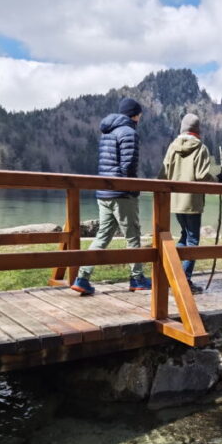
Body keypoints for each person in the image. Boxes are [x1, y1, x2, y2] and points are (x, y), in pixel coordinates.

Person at [71, 97, 151, 296]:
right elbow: (129, 165)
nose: (140, 117)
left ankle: (82, 277)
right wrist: (131, 188)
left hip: (104, 192)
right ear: (135, 114)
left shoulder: (107, 132)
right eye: (139, 114)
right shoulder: (129, 132)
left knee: (103, 235)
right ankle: (137, 277)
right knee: (132, 234)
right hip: (121, 193)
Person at [158, 113, 222, 294]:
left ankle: (171, 272)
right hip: (192, 201)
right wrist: (218, 182)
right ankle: (184, 280)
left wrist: (161, 190)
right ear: (197, 130)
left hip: (175, 200)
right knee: (193, 239)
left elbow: (163, 173)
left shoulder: (173, 146)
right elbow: (202, 175)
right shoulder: (200, 148)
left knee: (184, 236)